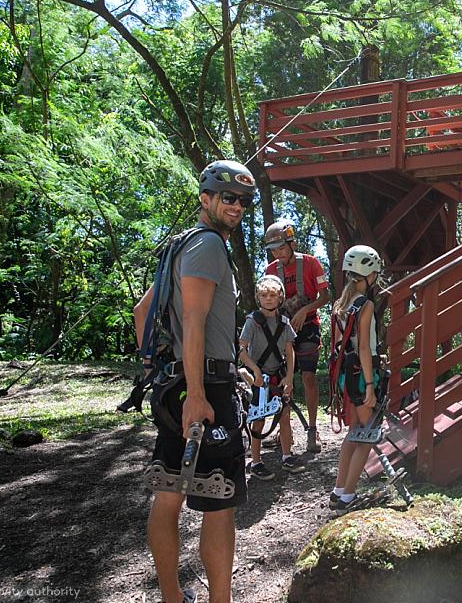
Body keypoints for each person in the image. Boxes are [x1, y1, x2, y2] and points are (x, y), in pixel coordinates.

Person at [134, 159, 255, 603]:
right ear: (205, 198)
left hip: (178, 385)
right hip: (204, 393)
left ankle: (173, 597)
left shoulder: (182, 244)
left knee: (169, 490)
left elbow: (142, 314)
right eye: (228, 197)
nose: (237, 206)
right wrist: (199, 393)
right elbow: (193, 317)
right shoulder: (208, 246)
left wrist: (159, 373)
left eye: (244, 200)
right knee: (218, 505)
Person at [263, 220, 330, 453]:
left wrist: (304, 310)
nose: (277, 254)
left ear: (291, 242)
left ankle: (312, 430)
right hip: (281, 331)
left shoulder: (311, 263)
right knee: (281, 380)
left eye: (281, 248)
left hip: (308, 326)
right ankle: (285, 431)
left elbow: (325, 296)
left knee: (308, 377)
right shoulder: (271, 270)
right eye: (273, 250)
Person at [328, 245, 383, 513]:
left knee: (354, 432)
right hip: (361, 373)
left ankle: (339, 490)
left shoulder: (340, 305)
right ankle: (347, 496)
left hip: (345, 374)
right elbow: (363, 347)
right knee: (367, 434)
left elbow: (340, 345)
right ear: (370, 274)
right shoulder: (366, 304)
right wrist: (370, 385)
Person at [237, 274, 305, 479]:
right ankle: (256, 461)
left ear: (280, 298)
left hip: (279, 377)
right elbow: (241, 350)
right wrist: (255, 372)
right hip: (259, 379)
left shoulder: (284, 323)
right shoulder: (252, 322)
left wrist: (290, 377)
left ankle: (286, 456)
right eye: (264, 295)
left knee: (284, 416)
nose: (268, 299)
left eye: (272, 295)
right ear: (258, 297)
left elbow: (289, 350)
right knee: (258, 420)